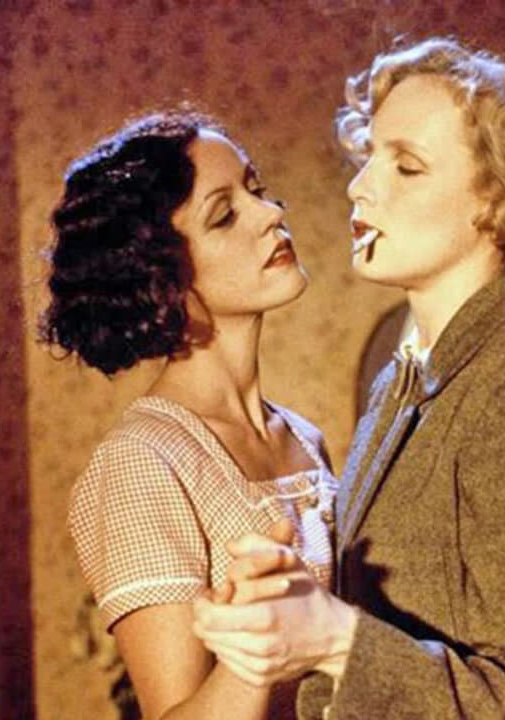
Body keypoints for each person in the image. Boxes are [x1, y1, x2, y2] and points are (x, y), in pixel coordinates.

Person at [191, 37, 505, 719]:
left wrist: (335, 638)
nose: (360, 186)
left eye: (407, 166)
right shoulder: (402, 381)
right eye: (369, 157)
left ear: (498, 204)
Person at [42, 112, 338, 720]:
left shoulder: (304, 438)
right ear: (162, 278)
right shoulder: (143, 462)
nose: (271, 214)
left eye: (256, 190)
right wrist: (255, 643)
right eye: (224, 215)